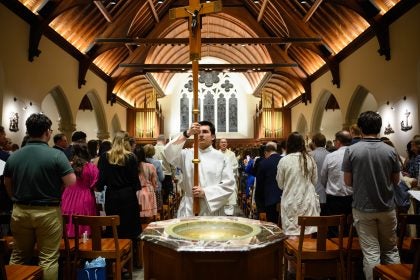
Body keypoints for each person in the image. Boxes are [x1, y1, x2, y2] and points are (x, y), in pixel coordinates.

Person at [3, 113, 76, 280]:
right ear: (47, 132)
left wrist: (16, 199)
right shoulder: (56, 155)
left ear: (28, 131)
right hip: (48, 211)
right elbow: (71, 181)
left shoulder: (14, 156)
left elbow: (7, 184)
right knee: (48, 259)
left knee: (19, 255)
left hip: (20, 210)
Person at [342, 111, 401, 280]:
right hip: (387, 206)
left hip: (363, 207)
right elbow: (396, 181)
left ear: (360, 128)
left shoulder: (352, 151)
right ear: (379, 127)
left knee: (371, 253)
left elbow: (347, 181)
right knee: (390, 250)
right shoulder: (390, 150)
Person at [164, 121, 235, 217]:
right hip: (190, 208)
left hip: (211, 208)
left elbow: (229, 185)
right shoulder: (186, 154)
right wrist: (187, 133)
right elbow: (168, 152)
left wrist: (205, 192)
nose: (201, 135)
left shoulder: (222, 158)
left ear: (213, 137)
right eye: (198, 132)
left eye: (205, 132)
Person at [96, 131, 141, 242]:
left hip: (112, 196)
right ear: (126, 142)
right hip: (128, 195)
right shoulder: (131, 157)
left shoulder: (105, 156)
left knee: (114, 225)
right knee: (130, 226)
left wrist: (100, 187)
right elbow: (135, 181)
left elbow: (101, 180)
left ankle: (114, 250)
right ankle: (131, 251)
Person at [276, 132, 320, 237]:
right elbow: (314, 181)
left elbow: (280, 185)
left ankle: (292, 253)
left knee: (292, 236)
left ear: (289, 144)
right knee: (307, 234)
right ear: (302, 144)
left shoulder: (284, 160)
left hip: (291, 201)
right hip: (307, 200)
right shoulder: (310, 159)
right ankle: (306, 253)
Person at [61, 143, 99, 238]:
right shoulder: (91, 167)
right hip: (85, 196)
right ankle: (85, 244)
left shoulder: (68, 166)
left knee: (68, 218)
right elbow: (94, 184)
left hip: (68, 196)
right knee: (85, 221)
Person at [320, 130, 353, 236]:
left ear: (338, 142)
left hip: (334, 198)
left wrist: (328, 186)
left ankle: (335, 249)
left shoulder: (330, 156)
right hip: (351, 196)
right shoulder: (355, 155)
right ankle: (347, 249)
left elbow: (323, 177)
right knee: (349, 226)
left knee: (333, 227)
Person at [254, 142, 282, 224]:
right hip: (284, 200)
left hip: (269, 201)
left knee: (271, 228)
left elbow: (259, 187)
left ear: (266, 152)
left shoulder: (263, 163)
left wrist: (260, 208)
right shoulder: (284, 160)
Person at [134, 145, 158, 219]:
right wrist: (155, 189)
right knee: (149, 217)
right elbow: (154, 182)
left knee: (137, 216)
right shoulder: (150, 166)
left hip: (137, 192)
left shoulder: (133, 166)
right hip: (148, 191)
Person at [309, 132, 329, 215]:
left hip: (313, 192)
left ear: (313, 143)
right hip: (327, 192)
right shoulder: (330, 155)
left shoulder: (309, 155)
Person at [153, 135, 176, 205]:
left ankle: (159, 213)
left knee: (156, 198)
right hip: (167, 175)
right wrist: (173, 176)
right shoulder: (167, 149)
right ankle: (168, 213)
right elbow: (173, 164)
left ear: (157, 140)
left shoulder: (152, 149)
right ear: (165, 141)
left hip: (155, 176)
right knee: (167, 198)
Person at [219, 138, 239, 216]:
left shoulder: (232, 154)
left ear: (227, 144)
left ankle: (230, 217)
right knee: (220, 201)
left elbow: (235, 165)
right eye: (222, 142)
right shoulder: (216, 153)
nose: (224, 144)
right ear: (219, 144)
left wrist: (226, 171)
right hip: (219, 180)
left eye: (225, 142)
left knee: (230, 201)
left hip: (229, 180)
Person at [143, 144, 164, 212]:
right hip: (156, 189)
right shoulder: (157, 162)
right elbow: (161, 178)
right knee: (157, 209)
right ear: (153, 152)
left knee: (145, 209)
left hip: (143, 190)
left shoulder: (140, 162)